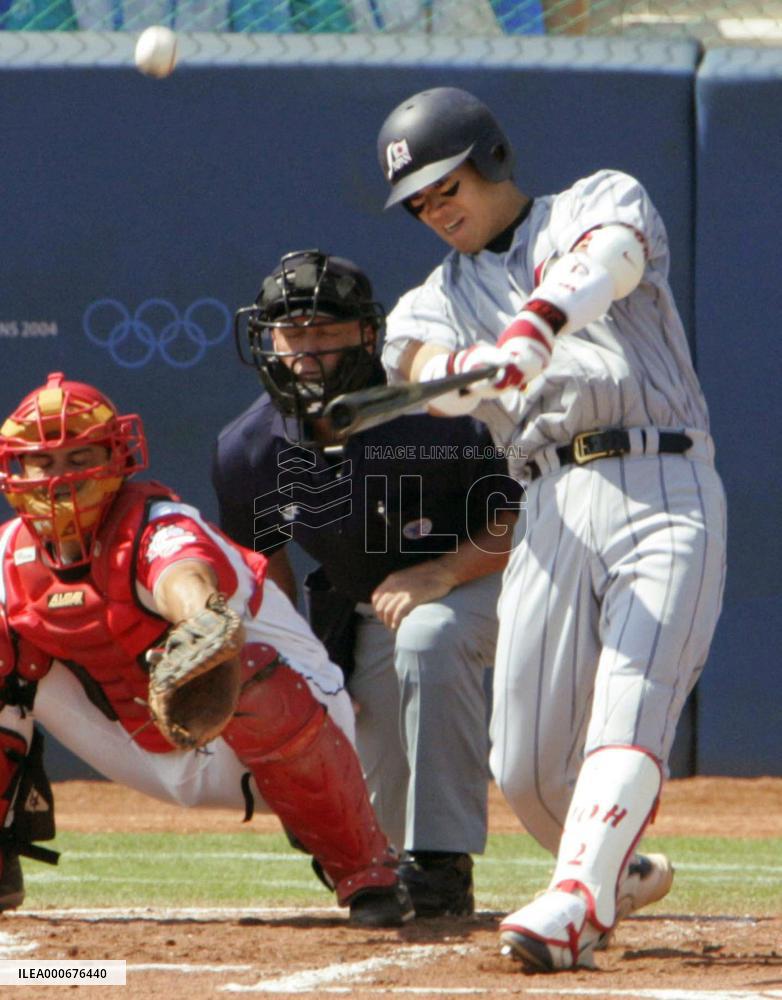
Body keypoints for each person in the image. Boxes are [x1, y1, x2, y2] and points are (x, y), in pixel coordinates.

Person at [374, 86, 727, 969]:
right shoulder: (432, 300)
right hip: (547, 504)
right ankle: (616, 869)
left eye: (445, 184)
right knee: (526, 771)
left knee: (635, 690)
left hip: (662, 475)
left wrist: (535, 325)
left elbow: (605, 264)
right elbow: (424, 370)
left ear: (489, 159)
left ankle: (576, 901)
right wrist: (471, 367)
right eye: (417, 201)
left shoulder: (600, 197)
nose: (435, 208)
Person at [0, 371, 413, 927]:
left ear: (117, 457)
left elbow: (183, 575)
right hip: (147, 742)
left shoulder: (157, 525)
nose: (60, 481)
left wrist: (200, 622)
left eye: (79, 459)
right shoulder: (10, 555)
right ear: (16, 471)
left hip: (271, 733)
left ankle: (366, 870)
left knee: (249, 671)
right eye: (44, 464)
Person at [212, 249, 521, 917]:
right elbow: (263, 565)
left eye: (325, 330)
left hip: (498, 579)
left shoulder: (441, 413)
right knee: (366, 836)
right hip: (369, 605)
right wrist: (288, 655)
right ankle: (382, 857)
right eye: (291, 333)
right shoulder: (247, 447)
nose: (306, 349)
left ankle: (442, 865)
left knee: (430, 635)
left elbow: (524, 517)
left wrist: (442, 571)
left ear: (367, 335)